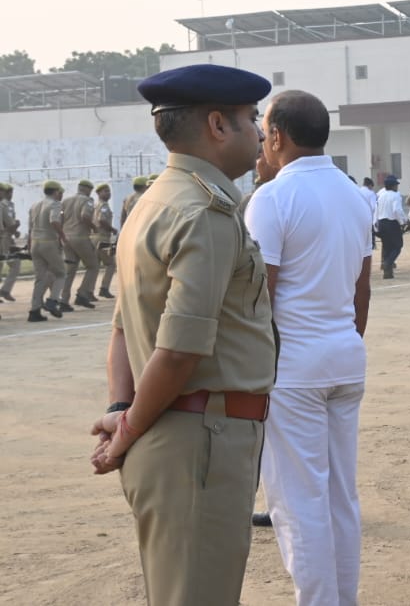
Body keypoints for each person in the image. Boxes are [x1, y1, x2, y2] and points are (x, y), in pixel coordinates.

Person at [87, 63, 275, 606]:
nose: (259, 132)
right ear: (217, 125)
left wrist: (122, 409)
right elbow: (178, 350)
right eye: (251, 118)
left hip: (177, 434)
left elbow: (122, 328)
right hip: (200, 440)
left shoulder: (153, 202)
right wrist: (126, 429)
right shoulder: (204, 212)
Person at [245, 89, 373, 606]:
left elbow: (262, 296)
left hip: (294, 365)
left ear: (277, 136)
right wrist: (345, 340)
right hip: (344, 355)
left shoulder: (272, 198)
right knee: (341, 494)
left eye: (264, 131)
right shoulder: (354, 194)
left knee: (298, 503)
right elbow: (362, 288)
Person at [28, 179, 68, 322]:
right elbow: (54, 220)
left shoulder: (35, 205)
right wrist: (62, 235)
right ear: (56, 192)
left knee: (40, 278)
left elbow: (30, 227)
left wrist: (29, 245)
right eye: (60, 192)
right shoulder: (55, 204)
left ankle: (34, 310)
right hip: (49, 242)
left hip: (35, 242)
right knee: (61, 273)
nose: (61, 195)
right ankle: (53, 300)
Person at [60, 178, 101, 310]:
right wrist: (94, 227)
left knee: (70, 270)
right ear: (87, 189)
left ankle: (63, 299)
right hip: (80, 237)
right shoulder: (87, 200)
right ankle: (82, 294)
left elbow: (60, 219)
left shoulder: (66, 201)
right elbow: (85, 216)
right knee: (93, 265)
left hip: (66, 237)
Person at [374, 175, 406, 279]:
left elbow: (376, 210)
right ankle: (388, 263)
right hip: (392, 223)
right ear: (393, 186)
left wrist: (375, 224)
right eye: (396, 185)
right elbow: (397, 210)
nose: (397, 187)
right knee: (397, 246)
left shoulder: (381, 195)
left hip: (381, 222)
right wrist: (402, 222)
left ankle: (387, 273)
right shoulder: (395, 195)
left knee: (387, 247)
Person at [92, 183, 118, 300]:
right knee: (111, 264)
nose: (108, 193)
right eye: (105, 191)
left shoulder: (95, 205)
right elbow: (102, 220)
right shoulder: (104, 206)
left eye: (109, 191)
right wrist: (112, 229)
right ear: (99, 193)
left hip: (94, 237)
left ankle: (88, 291)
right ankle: (104, 288)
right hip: (103, 238)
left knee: (95, 265)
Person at [0, 182, 20, 302]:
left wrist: (14, 230)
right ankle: (5, 290)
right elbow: (9, 223)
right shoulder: (3, 205)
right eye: (6, 192)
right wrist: (15, 226)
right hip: (4, 238)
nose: (9, 195)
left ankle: (5, 290)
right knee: (15, 263)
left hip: (6, 236)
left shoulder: (8, 205)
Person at [360, 178, 378, 248]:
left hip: (358, 217)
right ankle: (372, 245)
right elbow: (373, 207)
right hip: (368, 217)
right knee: (369, 234)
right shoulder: (371, 193)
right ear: (370, 185)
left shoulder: (358, 190)